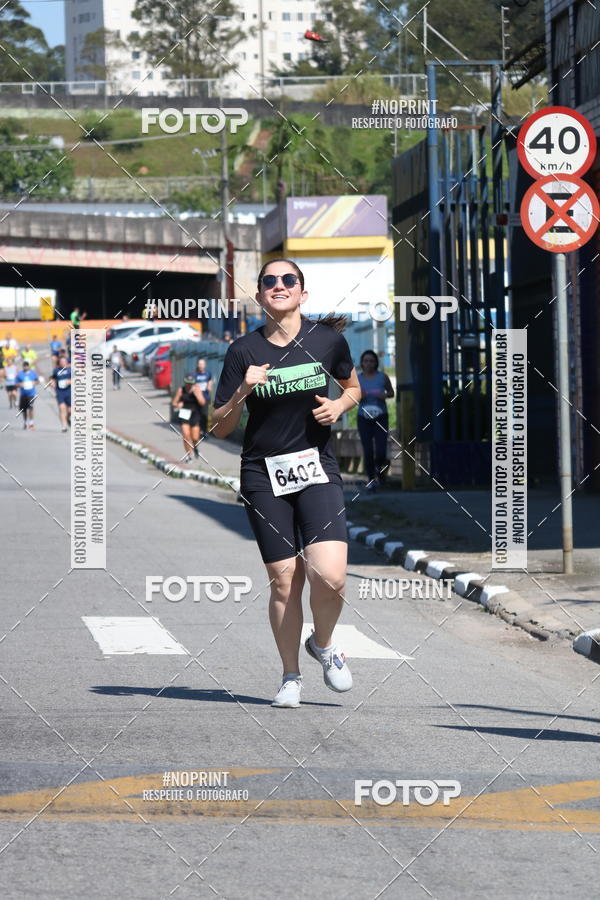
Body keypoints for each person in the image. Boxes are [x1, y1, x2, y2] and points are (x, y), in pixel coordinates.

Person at [212, 258, 361, 709]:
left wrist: (339, 407)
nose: (279, 285)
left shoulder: (327, 340)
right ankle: (290, 675)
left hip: (316, 468)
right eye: (269, 281)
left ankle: (324, 644)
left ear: (302, 293)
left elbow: (353, 387)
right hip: (262, 473)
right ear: (259, 296)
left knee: (330, 576)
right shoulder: (243, 350)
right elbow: (219, 426)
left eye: (288, 279)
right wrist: (243, 389)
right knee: (284, 580)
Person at [357, 350, 395, 492]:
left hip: (381, 417)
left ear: (376, 363)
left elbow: (391, 393)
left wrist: (384, 395)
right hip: (363, 418)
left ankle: (381, 471)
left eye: (371, 361)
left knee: (381, 451)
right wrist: (359, 395)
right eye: (366, 361)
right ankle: (371, 480)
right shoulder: (357, 379)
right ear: (362, 363)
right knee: (367, 451)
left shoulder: (382, 377)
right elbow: (350, 397)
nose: (368, 364)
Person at [172, 374, 206, 461]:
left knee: (195, 437)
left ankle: (195, 448)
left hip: (195, 414)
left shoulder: (197, 389)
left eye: (191, 383)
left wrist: (197, 394)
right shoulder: (181, 390)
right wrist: (178, 404)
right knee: (186, 435)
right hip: (184, 414)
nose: (189, 385)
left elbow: (203, 403)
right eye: (187, 383)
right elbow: (174, 403)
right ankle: (188, 455)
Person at [51, 352, 72, 431]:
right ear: (59, 363)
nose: (63, 363)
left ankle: (68, 419)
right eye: (61, 362)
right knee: (62, 408)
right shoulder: (56, 370)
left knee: (70, 411)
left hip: (69, 391)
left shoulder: (70, 370)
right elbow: (52, 378)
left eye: (64, 361)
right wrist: (52, 383)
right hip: (60, 392)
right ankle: (64, 426)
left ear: (66, 362)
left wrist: (70, 381)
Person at [16, 360, 39, 429]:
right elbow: (16, 383)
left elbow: (37, 381)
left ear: (28, 366)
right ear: (23, 367)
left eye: (26, 366)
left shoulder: (33, 373)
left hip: (31, 394)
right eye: (24, 366)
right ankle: (25, 422)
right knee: (24, 409)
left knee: (31, 407)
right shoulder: (20, 374)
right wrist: (21, 384)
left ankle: (31, 423)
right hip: (23, 394)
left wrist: (34, 382)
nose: (25, 367)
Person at [194, 358, 213, 438]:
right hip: (197, 398)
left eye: (202, 364)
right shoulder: (195, 375)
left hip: (205, 397)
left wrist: (209, 385)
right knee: (197, 415)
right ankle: (198, 431)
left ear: (205, 365)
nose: (201, 366)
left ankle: (205, 432)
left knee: (204, 415)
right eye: (199, 364)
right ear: (197, 365)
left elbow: (210, 381)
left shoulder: (208, 374)